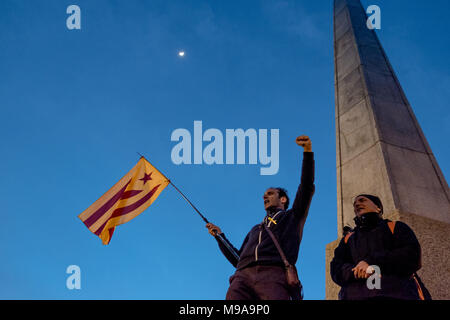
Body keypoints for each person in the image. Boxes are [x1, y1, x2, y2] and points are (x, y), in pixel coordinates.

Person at [206, 135, 315, 300]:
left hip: (273, 274)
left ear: (283, 199)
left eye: (270, 193)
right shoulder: (255, 229)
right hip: (242, 277)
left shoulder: (292, 216)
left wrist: (307, 152)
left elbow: (306, 187)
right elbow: (238, 258)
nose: (265, 197)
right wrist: (220, 236)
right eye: (264, 195)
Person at [330, 194, 431, 300]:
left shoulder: (395, 227)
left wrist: (371, 262)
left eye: (362, 200)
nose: (357, 204)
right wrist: (355, 271)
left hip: (396, 294)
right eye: (355, 204)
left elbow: (412, 255)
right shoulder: (348, 239)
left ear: (378, 208)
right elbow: (336, 268)